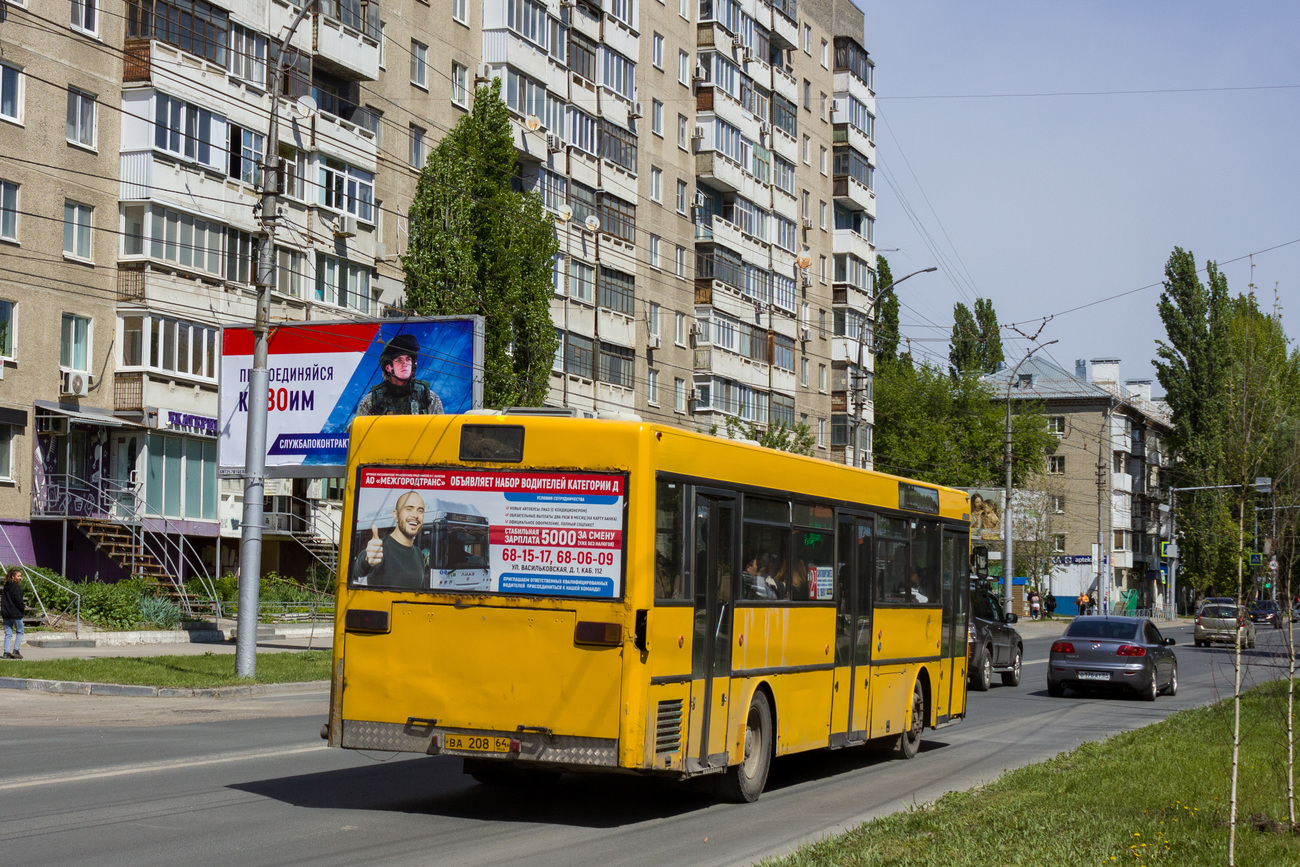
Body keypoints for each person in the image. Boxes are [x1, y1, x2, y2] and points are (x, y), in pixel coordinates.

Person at [354, 333, 444, 417]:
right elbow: (355, 430)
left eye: (408, 359)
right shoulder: (372, 400)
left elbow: (441, 430)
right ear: (388, 367)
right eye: (399, 360)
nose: (405, 364)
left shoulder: (428, 397)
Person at [354, 491, 428, 589]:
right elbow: (359, 570)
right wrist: (367, 560)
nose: (415, 515)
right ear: (395, 515)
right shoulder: (380, 549)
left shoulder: (418, 554)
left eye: (420, 510)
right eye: (409, 509)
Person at [3, 567, 27, 660]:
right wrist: (22, 609)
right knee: (20, 631)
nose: (20, 578)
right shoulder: (16, 587)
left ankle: (6, 652)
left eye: (20, 576)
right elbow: (18, 600)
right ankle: (16, 650)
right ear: (13, 577)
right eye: (18, 576)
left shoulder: (6, 586)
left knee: (8, 633)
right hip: (15, 613)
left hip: (6, 613)